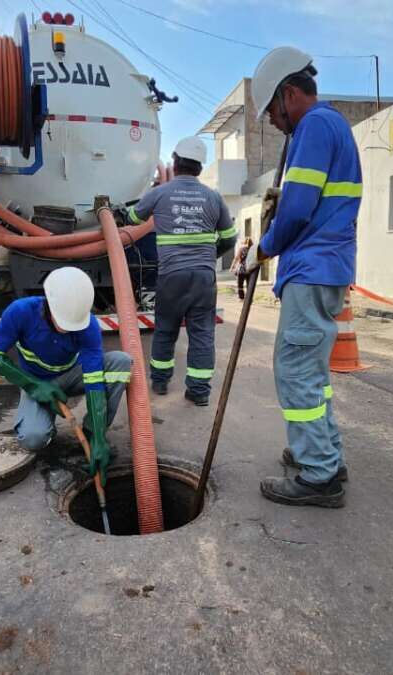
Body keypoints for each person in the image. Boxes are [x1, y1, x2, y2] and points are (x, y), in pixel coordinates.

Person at [236, 47, 362, 508]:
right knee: (312, 374)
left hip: (312, 269)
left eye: (271, 109)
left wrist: (262, 250)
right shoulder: (331, 126)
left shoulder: (313, 127)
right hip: (324, 269)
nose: (272, 121)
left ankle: (320, 476)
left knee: (296, 373)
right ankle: (325, 455)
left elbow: (296, 209)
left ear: (289, 94)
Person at [0, 267, 132, 479]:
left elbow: (94, 381)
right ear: (48, 303)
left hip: (72, 375)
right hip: (36, 380)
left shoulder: (87, 325)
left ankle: (90, 435)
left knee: (121, 361)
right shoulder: (21, 312)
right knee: (33, 439)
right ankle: (45, 423)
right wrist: (33, 386)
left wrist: (98, 436)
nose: (68, 328)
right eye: (63, 322)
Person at [120, 136, 236, 406]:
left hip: (171, 276)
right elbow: (229, 239)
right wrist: (208, 256)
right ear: (199, 166)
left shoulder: (160, 193)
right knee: (202, 333)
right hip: (204, 278)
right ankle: (199, 392)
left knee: (165, 330)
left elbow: (133, 219)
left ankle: (160, 382)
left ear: (175, 161)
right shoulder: (213, 197)